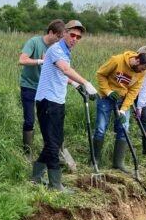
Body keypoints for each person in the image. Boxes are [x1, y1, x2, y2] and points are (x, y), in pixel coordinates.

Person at [32, 20, 97, 192]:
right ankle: (55, 184)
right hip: (48, 101)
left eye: (78, 37)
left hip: (58, 101)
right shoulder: (56, 49)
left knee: (56, 141)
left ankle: (36, 176)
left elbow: (61, 73)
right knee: (53, 144)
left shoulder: (66, 51)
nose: (75, 39)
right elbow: (65, 69)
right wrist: (86, 82)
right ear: (65, 33)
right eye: (72, 35)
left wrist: (74, 85)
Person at [93, 46, 146, 174]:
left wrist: (123, 110)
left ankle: (118, 163)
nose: (141, 72)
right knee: (100, 128)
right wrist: (108, 91)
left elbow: (133, 91)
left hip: (122, 100)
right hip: (105, 98)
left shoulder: (141, 72)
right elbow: (100, 74)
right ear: (137, 61)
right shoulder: (117, 60)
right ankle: (95, 160)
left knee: (124, 128)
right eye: (142, 68)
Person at [18, 20, 66, 156]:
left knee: (48, 119)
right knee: (29, 120)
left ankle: (50, 150)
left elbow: (62, 69)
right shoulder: (34, 42)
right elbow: (22, 60)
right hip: (29, 85)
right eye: (58, 36)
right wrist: (41, 61)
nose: (59, 40)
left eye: (61, 38)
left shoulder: (57, 48)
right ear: (50, 32)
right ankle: (28, 152)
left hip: (46, 88)